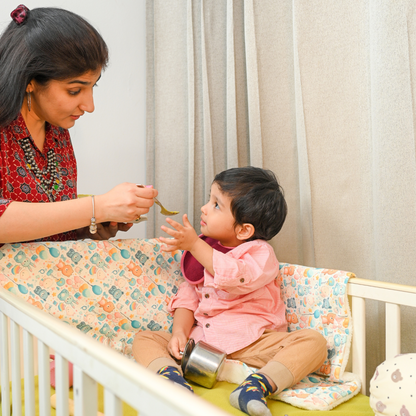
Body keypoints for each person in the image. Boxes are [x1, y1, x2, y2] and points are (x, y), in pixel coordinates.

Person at [132, 166, 327, 416]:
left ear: (244, 230)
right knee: (145, 338)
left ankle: (257, 385)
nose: (203, 208)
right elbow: (189, 296)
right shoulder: (206, 249)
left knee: (313, 341)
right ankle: (171, 379)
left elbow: (234, 275)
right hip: (203, 343)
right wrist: (179, 333)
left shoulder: (260, 254)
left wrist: (194, 245)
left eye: (216, 205)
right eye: (209, 200)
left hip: (252, 343)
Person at [0, 5, 157, 246]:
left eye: (92, 87)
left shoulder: (57, 129)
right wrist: (97, 207)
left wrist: (90, 226)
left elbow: (47, 223)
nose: (89, 105)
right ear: (29, 81)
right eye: (74, 91)